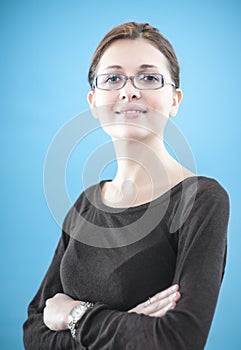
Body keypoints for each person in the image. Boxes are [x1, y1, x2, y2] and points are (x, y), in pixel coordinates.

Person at [23, 22, 229, 350]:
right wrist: (127, 329)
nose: (129, 90)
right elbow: (34, 330)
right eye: (113, 78)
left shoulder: (201, 200)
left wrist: (74, 315)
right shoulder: (86, 203)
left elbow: (179, 339)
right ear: (94, 101)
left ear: (174, 100)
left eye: (148, 77)